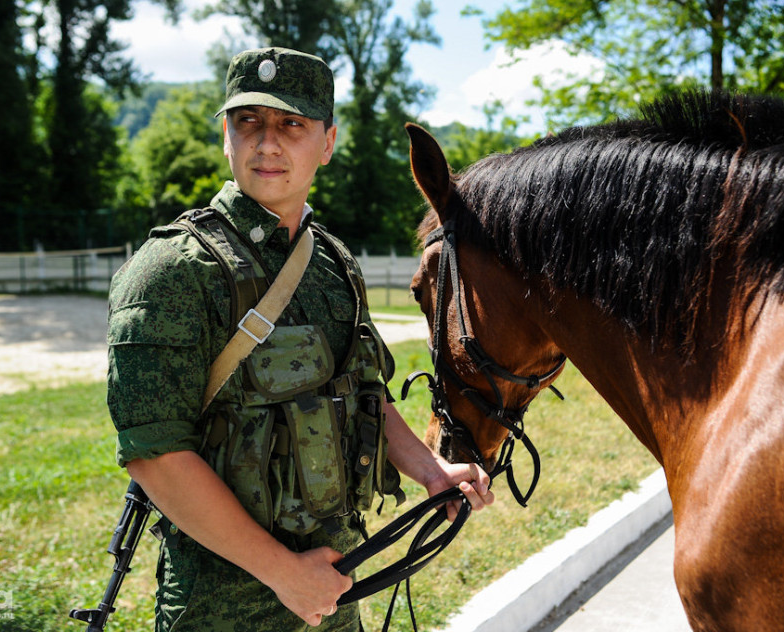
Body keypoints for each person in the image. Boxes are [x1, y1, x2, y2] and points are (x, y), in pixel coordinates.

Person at [106, 46, 494, 631]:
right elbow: (156, 455)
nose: (267, 142)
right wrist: (284, 572)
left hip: (335, 582)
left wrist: (432, 472)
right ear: (227, 137)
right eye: (248, 122)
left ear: (328, 143)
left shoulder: (334, 263)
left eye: (291, 124)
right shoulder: (171, 270)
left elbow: (366, 390)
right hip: (223, 607)